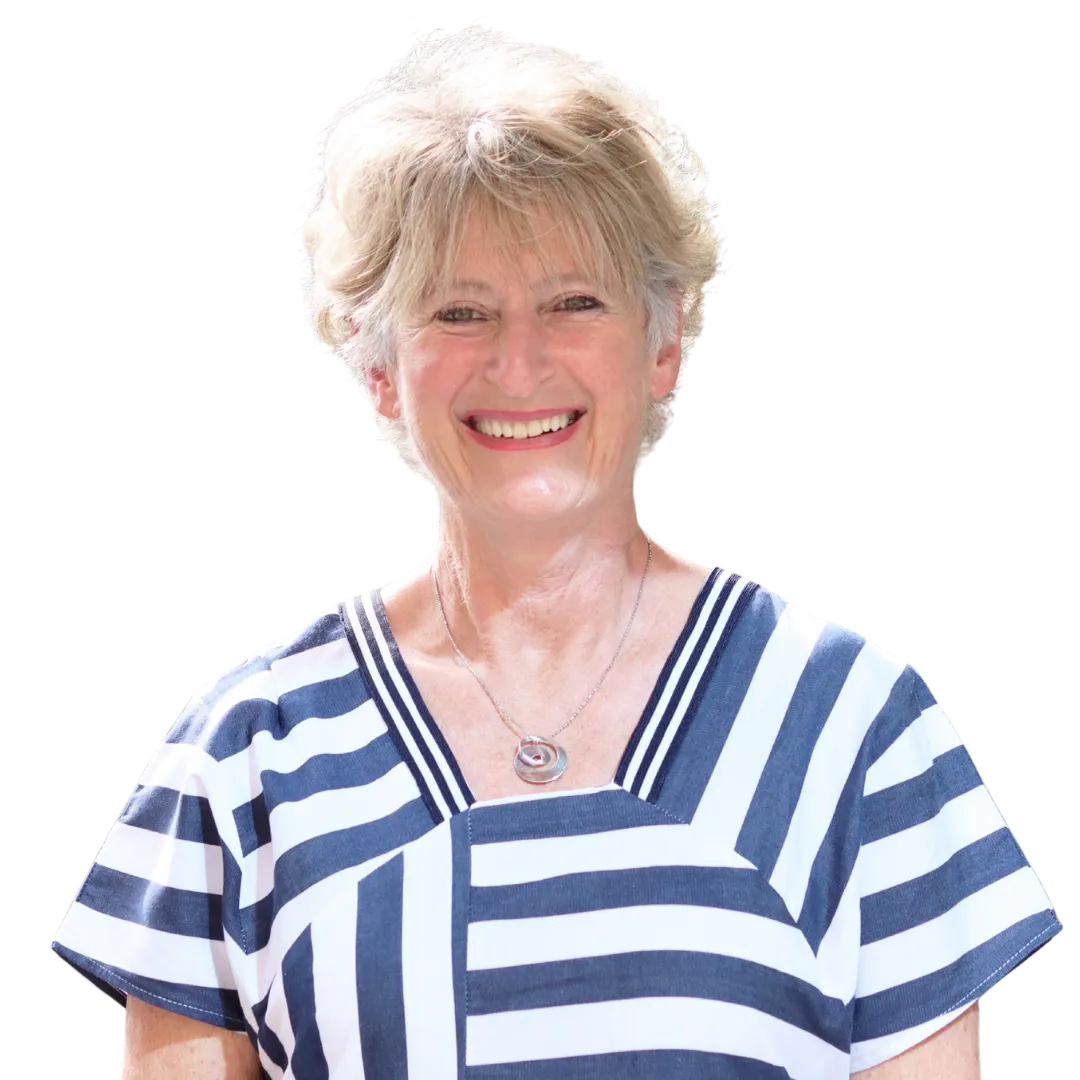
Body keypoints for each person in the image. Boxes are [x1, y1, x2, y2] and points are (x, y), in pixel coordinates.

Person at [51, 20, 1061, 1079]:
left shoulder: (854, 727)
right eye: (459, 311)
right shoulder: (245, 754)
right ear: (381, 368)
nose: (519, 360)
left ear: (664, 338)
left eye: (574, 301)